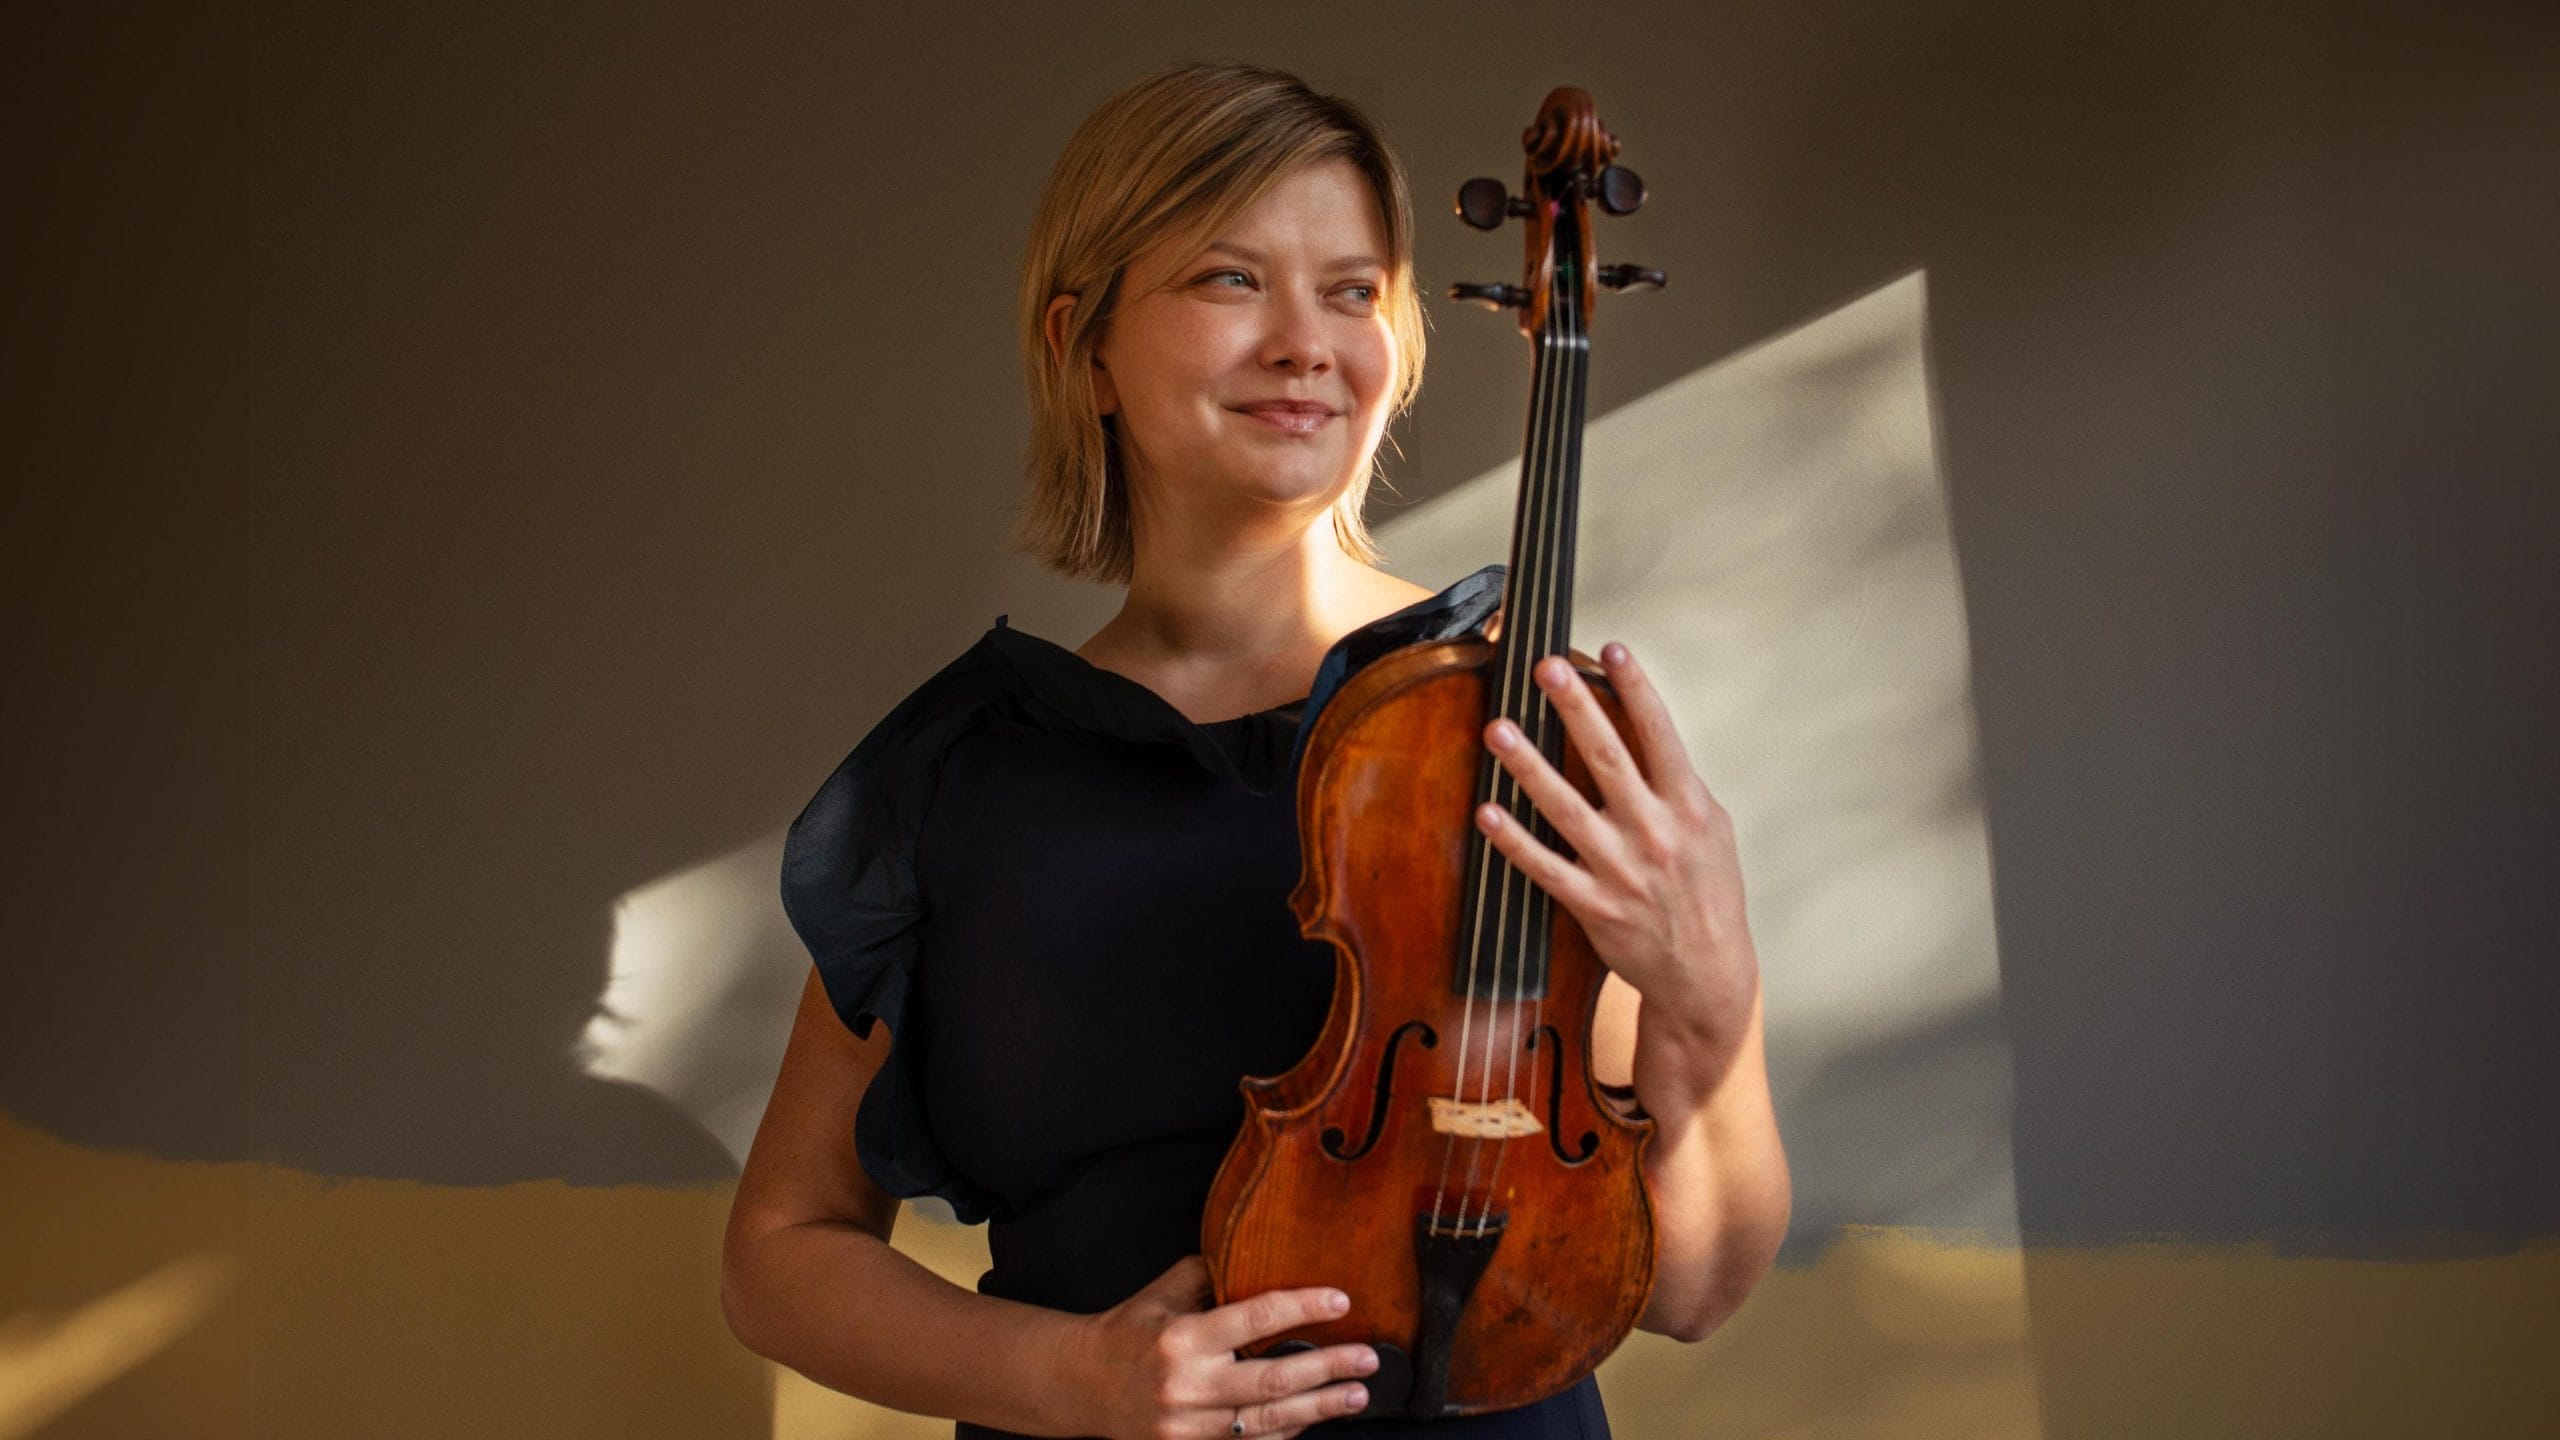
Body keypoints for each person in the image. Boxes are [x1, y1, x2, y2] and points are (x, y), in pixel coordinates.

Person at [723, 62, 1790, 1440]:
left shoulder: (1508, 724)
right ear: (1084, 347)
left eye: (1352, 291)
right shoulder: (958, 777)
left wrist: (1713, 992)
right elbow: (781, 1251)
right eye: (1232, 280)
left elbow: (1692, 1286)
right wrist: (1077, 1380)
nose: (1306, 342)